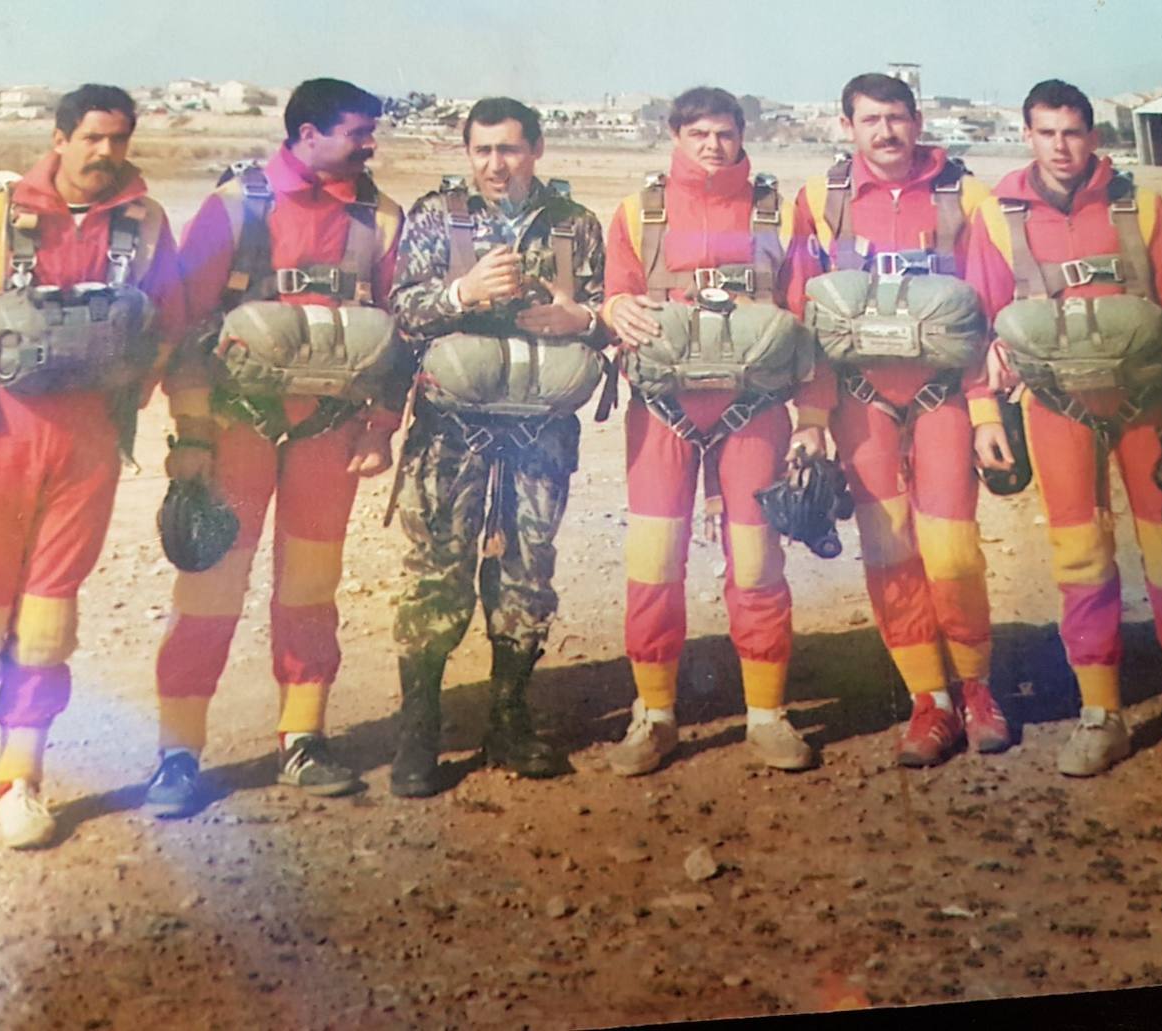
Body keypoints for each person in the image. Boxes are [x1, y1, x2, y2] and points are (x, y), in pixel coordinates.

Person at [966, 79, 1162, 776]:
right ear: (1027, 135)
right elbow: (978, 322)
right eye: (1046, 133)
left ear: (1092, 136)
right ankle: (1102, 714)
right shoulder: (999, 216)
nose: (1061, 147)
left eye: (1073, 132)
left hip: (1148, 406)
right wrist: (983, 412)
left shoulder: (1139, 206)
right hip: (1055, 412)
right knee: (1080, 560)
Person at [0, 84, 185, 856]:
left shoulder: (145, 225)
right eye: (93, 138)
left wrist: (126, 404)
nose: (107, 153)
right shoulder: (1, 216)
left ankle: (21, 783)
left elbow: (167, 326)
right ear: (60, 138)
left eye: (119, 139)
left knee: (47, 622)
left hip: (86, 449)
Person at [145, 78, 406, 816]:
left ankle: (304, 737)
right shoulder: (236, 207)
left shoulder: (381, 217)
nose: (370, 144)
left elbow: (398, 333)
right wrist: (192, 437)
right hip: (237, 427)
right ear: (307, 133)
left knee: (311, 590)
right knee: (208, 591)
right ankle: (177, 754)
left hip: (330, 433)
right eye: (358, 132)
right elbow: (183, 326)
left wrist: (382, 424)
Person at [602, 86, 828, 776]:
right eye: (697, 132)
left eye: (724, 133)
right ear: (675, 134)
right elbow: (614, 293)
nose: (712, 145)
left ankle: (766, 714)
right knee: (653, 565)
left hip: (753, 408)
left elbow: (807, 317)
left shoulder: (777, 212)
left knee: (758, 565)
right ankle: (656, 715)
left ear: (740, 136)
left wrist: (813, 415)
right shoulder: (638, 211)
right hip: (663, 410)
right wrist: (613, 307)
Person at [787, 73, 1008, 766]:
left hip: (944, 395)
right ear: (847, 126)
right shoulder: (820, 202)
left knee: (951, 551)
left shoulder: (966, 197)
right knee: (888, 552)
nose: (885, 132)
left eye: (896, 118)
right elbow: (806, 318)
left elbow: (986, 311)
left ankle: (975, 687)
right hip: (861, 403)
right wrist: (813, 414)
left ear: (918, 121)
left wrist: (984, 410)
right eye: (870, 119)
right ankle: (928, 699)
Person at [387, 97, 606, 798]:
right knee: (436, 575)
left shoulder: (576, 226)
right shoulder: (435, 215)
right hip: (453, 429)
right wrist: (461, 292)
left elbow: (608, 312)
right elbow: (400, 310)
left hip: (540, 430)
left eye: (509, 149)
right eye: (482, 150)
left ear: (536, 149)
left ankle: (510, 715)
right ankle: (419, 726)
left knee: (527, 574)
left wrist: (585, 316)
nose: (494, 164)